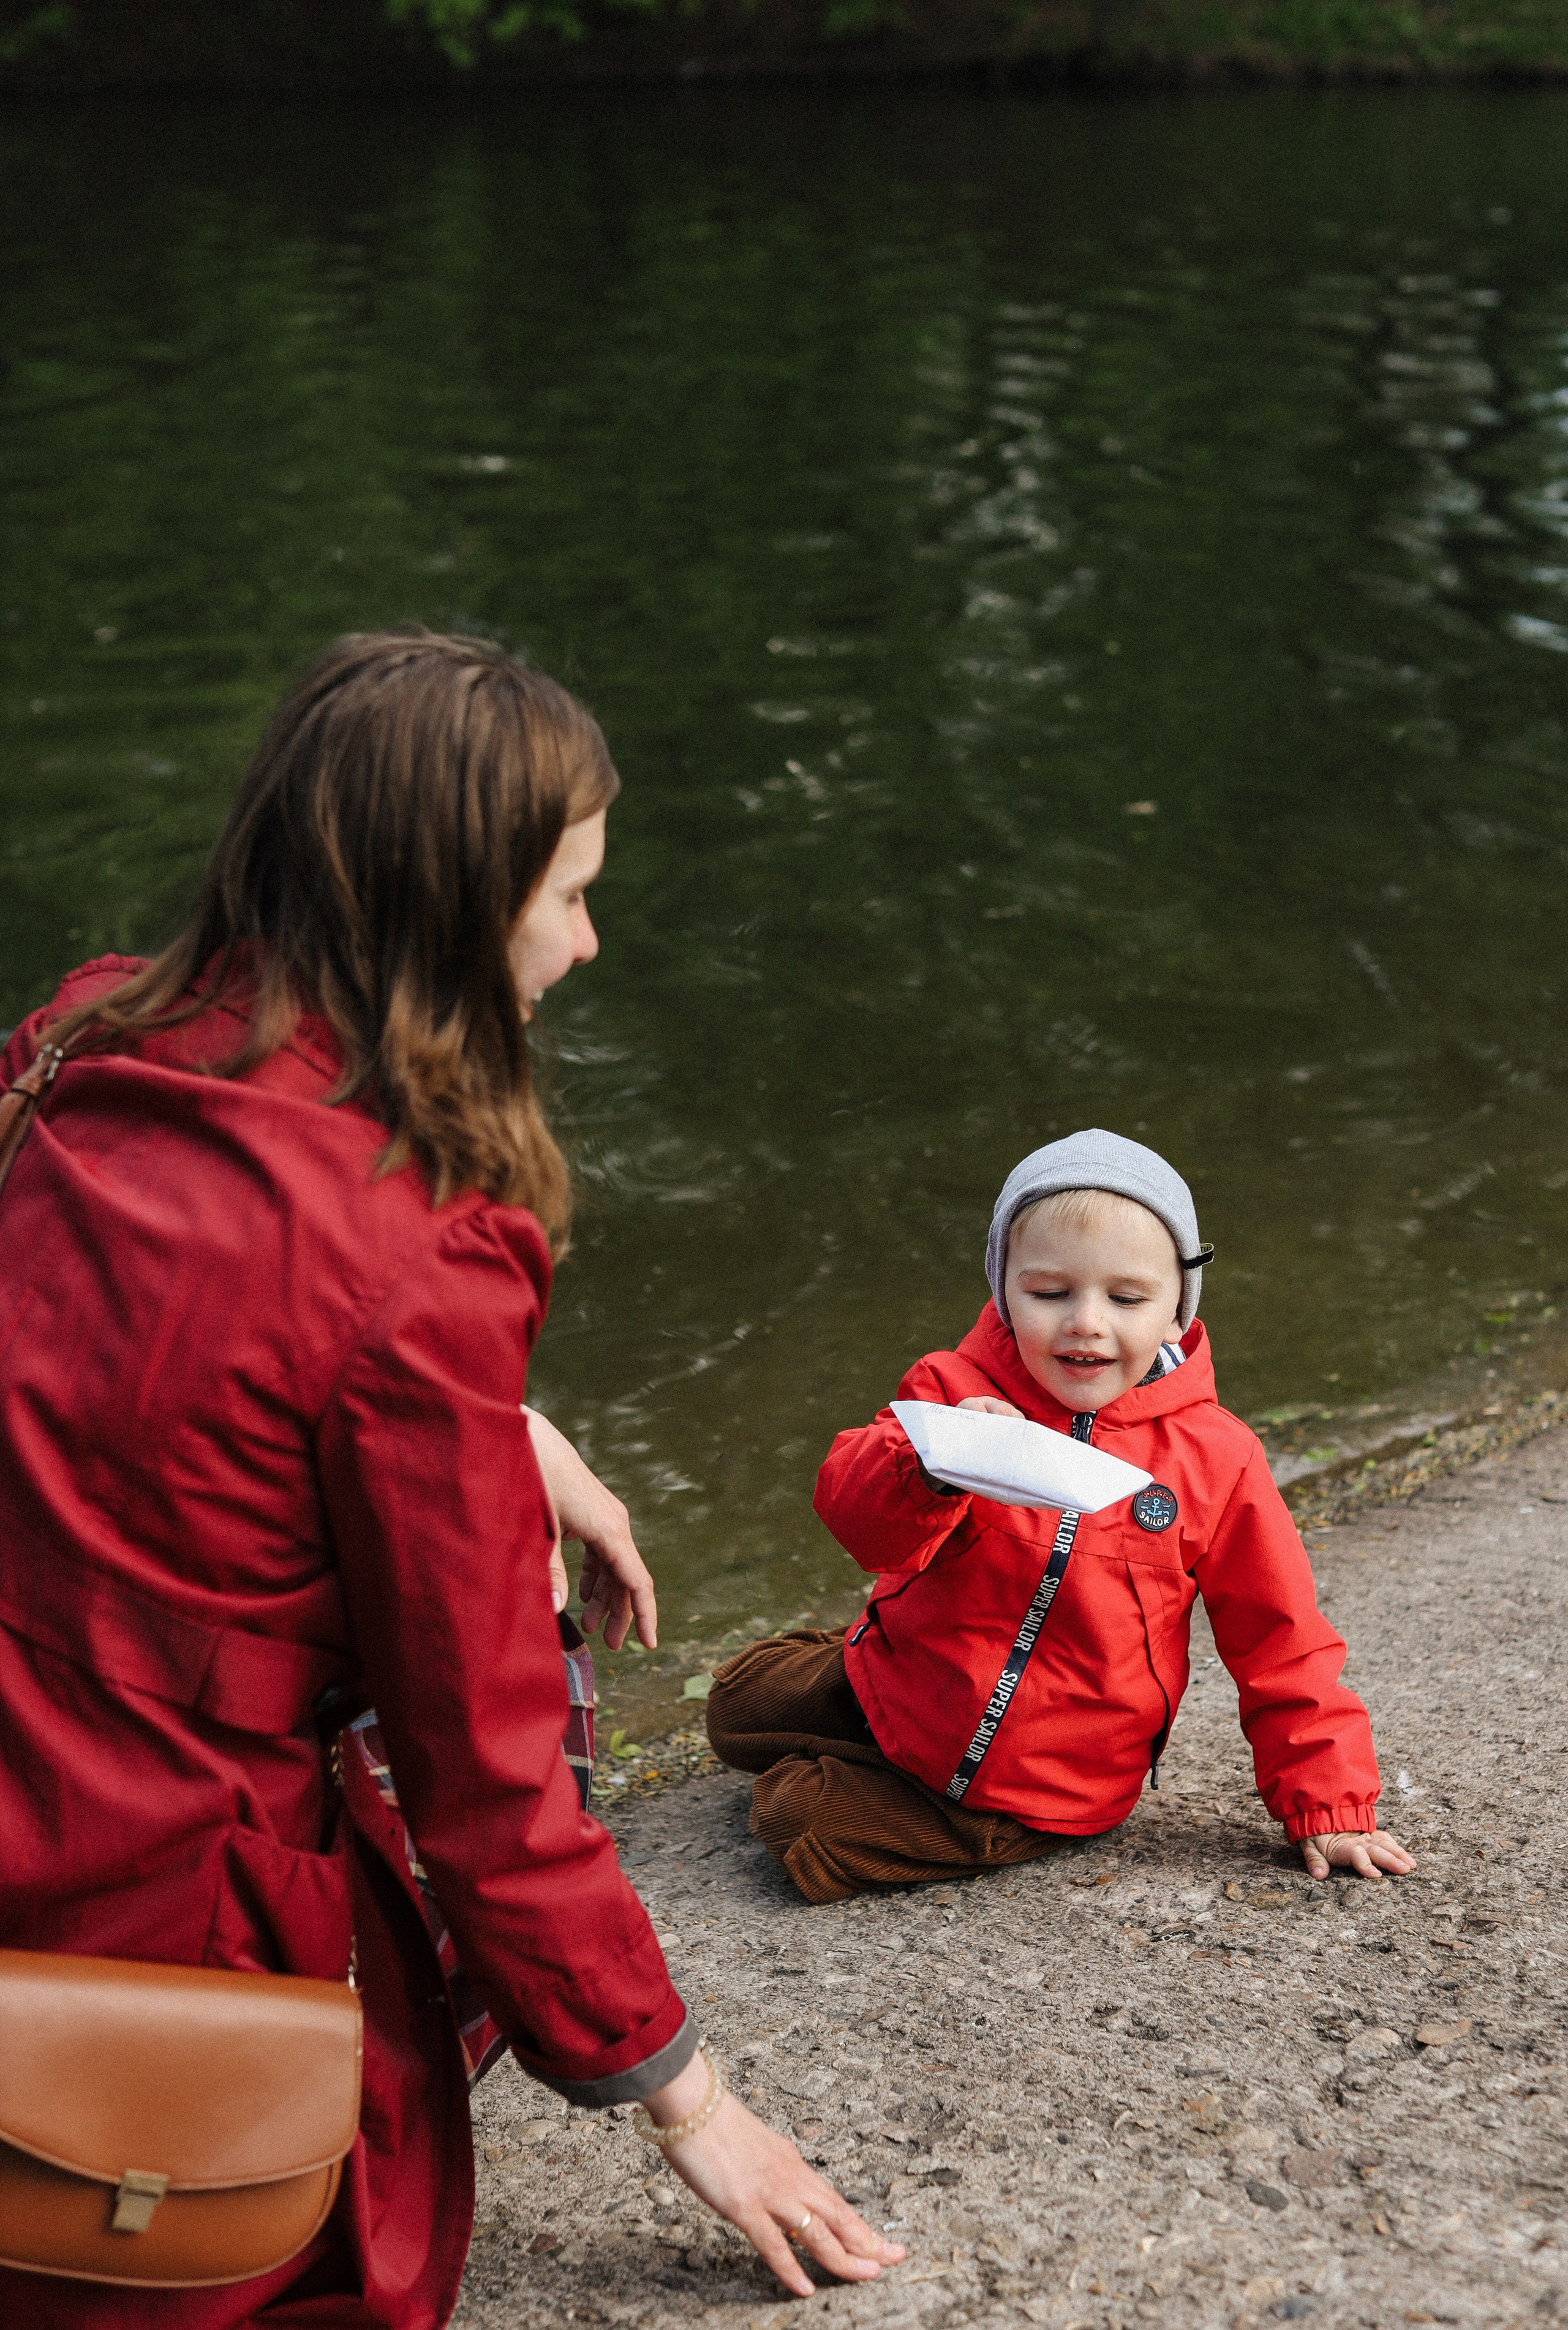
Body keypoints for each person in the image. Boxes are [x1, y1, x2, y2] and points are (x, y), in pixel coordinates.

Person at [0, 629, 902, 2327]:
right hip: (133, 1889)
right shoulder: (422, 1246)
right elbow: (482, 1778)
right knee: (529, 1672)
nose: (587, 938)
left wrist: (500, 1423)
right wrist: (688, 2101)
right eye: (564, 895)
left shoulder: (79, 1040)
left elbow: (174, 1355)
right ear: (446, 907)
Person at [707, 1129, 1417, 1906]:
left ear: (1178, 1310)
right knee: (734, 1703)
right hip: (905, 1682)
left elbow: (1282, 1641)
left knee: (799, 1821)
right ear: (1004, 1290)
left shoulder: (1218, 1456)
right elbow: (859, 1526)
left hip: (1043, 1778)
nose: (1084, 1322)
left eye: (1125, 1298)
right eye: (1050, 1293)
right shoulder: (954, 1388)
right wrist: (930, 1463)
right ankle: (852, 1700)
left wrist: (1328, 1804)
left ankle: (882, 1787)